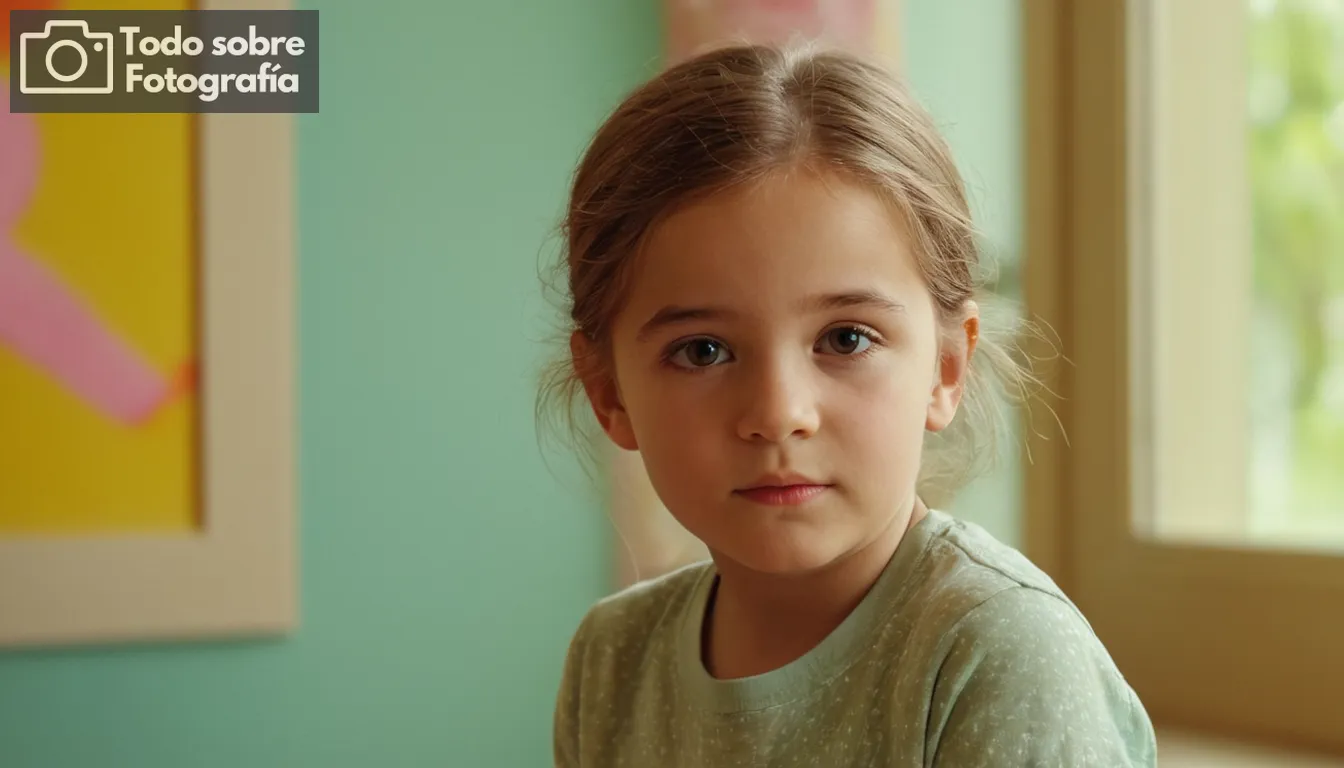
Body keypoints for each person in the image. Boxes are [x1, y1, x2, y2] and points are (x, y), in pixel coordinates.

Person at [539, 41, 1157, 767]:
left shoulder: (1000, 655)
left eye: (846, 339)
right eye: (703, 350)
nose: (778, 412)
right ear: (609, 391)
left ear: (947, 367)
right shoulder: (612, 662)